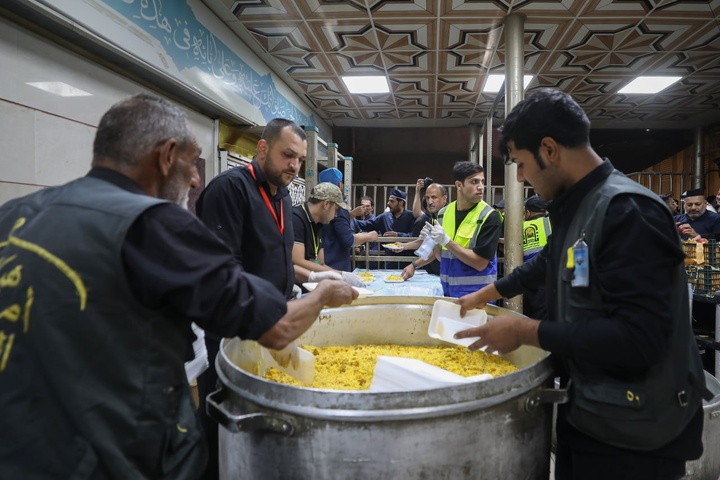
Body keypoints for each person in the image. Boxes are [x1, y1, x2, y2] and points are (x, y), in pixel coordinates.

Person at [0, 94, 357, 479]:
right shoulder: (155, 225)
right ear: (167, 155)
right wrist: (323, 295)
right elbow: (277, 327)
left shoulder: (16, 213)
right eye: (191, 162)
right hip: (108, 455)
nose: (195, 179)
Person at [454, 88, 710, 480]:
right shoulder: (580, 206)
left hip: (636, 429)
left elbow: (640, 338)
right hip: (594, 406)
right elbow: (552, 265)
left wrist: (525, 330)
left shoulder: (628, 211)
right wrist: (487, 294)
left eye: (521, 164)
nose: (521, 178)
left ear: (549, 149)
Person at [195, 117, 308, 479]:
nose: (294, 165)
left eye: (300, 159)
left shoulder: (282, 194)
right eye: (287, 155)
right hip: (234, 327)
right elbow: (225, 270)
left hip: (270, 323)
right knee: (225, 418)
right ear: (262, 148)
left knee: (260, 416)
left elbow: (278, 255)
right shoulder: (230, 189)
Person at [405, 162, 502, 297]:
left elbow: (480, 263)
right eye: (474, 182)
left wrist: (446, 241)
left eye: (482, 181)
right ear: (459, 185)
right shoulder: (443, 213)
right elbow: (441, 257)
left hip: (477, 295)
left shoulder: (489, 216)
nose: (481, 187)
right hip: (448, 292)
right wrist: (433, 241)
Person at [318, 168, 378, 272]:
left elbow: (334, 223)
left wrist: (351, 214)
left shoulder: (319, 205)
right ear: (339, 184)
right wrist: (369, 236)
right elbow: (348, 240)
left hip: (321, 262)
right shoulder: (338, 207)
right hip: (336, 264)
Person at [354, 188, 416, 269]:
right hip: (389, 262)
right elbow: (366, 224)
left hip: (408, 263)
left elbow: (416, 236)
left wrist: (398, 235)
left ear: (401, 203)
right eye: (389, 201)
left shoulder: (411, 216)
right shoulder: (384, 217)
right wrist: (351, 216)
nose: (388, 203)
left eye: (392, 201)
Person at [397, 183, 448, 276]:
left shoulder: (448, 218)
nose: (430, 201)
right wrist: (403, 246)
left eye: (434, 197)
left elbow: (437, 251)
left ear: (444, 199)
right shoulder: (433, 218)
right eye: (427, 198)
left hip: (448, 272)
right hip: (436, 272)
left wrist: (414, 265)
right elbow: (424, 242)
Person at [521, 194, 551, 320]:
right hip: (552, 278)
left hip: (530, 278)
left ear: (528, 212)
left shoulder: (520, 227)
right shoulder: (553, 222)